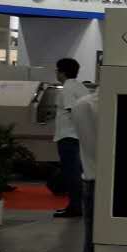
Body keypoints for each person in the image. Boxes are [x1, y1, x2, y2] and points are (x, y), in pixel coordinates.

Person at [72, 85, 98, 252]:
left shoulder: (82, 105)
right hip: (104, 183)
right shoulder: (103, 105)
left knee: (90, 251)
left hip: (92, 182)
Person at [52, 58, 89, 219]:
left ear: (62, 72)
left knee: (71, 174)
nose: (56, 73)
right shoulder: (81, 87)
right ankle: (77, 206)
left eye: (57, 70)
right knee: (77, 172)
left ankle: (75, 207)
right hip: (79, 136)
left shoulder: (67, 89)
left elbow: (72, 110)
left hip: (68, 136)